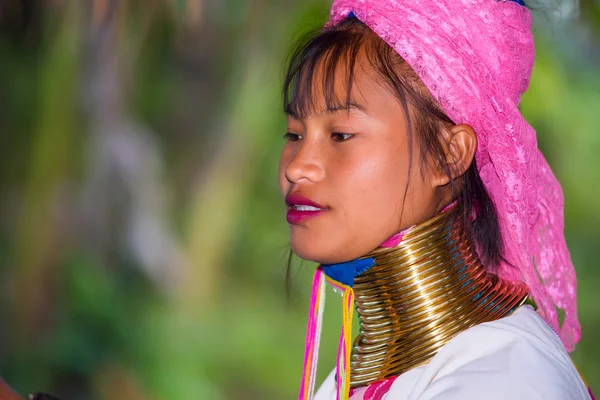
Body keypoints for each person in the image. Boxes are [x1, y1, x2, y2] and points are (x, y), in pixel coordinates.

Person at [279, 1, 594, 399]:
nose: (297, 167)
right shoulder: (358, 377)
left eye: (340, 135)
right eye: (293, 134)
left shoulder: (503, 378)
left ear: (449, 155)